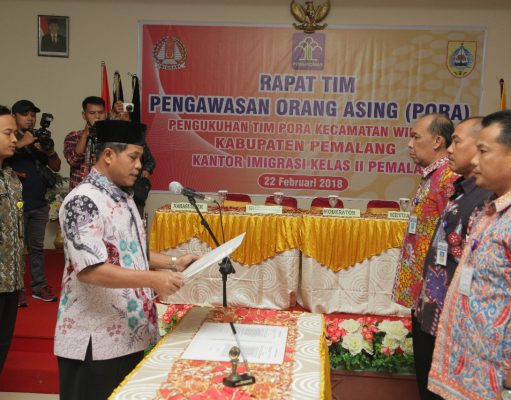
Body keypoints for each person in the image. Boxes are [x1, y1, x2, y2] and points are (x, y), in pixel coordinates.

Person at [55, 119, 199, 399]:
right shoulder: (83, 201)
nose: (139, 166)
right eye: (133, 157)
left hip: (129, 333)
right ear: (109, 155)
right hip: (95, 342)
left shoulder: (122, 197)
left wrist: (172, 263)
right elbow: (90, 270)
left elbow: (129, 251)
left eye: (140, 158)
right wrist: (153, 279)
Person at [428, 110, 511, 400]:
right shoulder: (492, 209)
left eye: (484, 151)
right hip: (470, 375)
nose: (475, 160)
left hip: (497, 383)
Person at [413, 117, 492, 399]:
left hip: (454, 321)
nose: (449, 149)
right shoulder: (462, 190)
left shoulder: (487, 200)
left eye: (456, 141)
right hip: (432, 308)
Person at [392, 113, 458, 308]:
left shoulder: (448, 177)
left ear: (437, 141)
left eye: (416, 137)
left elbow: (451, 233)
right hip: (422, 282)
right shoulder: (433, 174)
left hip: (434, 286)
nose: (410, 144)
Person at [8, 100, 61, 306]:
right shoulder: (8, 138)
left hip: (38, 202)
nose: (30, 118)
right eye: (25, 114)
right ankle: (17, 289)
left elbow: (56, 166)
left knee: (37, 248)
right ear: (14, 116)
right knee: (16, 249)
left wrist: (49, 151)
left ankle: (39, 286)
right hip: (16, 204)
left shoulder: (39, 138)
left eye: (33, 114)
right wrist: (23, 142)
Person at [0, 105, 24, 374]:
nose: (15, 139)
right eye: (8, 133)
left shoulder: (11, 177)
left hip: (11, 279)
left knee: (3, 342)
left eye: (15, 133)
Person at [110, 100, 155, 216]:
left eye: (125, 116)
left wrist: (146, 170)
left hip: (134, 190)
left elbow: (150, 161)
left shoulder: (138, 140)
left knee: (135, 221)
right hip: (113, 191)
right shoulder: (109, 140)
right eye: (119, 116)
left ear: (130, 120)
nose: (122, 119)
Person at [63, 96, 106, 190]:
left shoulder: (110, 137)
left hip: (103, 191)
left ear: (105, 114)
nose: (97, 116)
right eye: (92, 113)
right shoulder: (73, 136)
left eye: (101, 112)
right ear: (84, 115)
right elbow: (73, 160)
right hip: (80, 192)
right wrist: (85, 135)